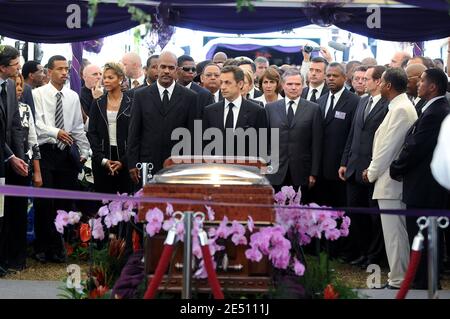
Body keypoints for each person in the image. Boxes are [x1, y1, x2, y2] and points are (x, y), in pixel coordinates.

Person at [390, 68, 450, 289]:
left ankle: (426, 279)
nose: (418, 83)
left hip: (427, 186)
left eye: (422, 80)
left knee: (424, 233)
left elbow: (417, 146)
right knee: (420, 232)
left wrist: (396, 167)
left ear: (433, 86)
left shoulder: (437, 111)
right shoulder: (431, 107)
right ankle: (423, 277)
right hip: (422, 184)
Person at [362, 68, 417, 289]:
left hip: (391, 181)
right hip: (389, 179)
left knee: (395, 234)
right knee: (395, 234)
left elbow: (388, 148)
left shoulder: (402, 109)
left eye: (381, 81)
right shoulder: (397, 107)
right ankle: (399, 276)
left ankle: (399, 279)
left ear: (387, 86)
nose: (378, 85)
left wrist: (371, 171)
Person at [32, 55, 90, 263]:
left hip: (66, 153)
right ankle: (42, 247)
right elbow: (35, 124)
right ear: (49, 72)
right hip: (45, 151)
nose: (65, 73)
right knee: (44, 202)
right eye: (60, 69)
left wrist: (85, 151)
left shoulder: (73, 96)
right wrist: (55, 132)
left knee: (64, 202)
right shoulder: (37, 94)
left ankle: (59, 247)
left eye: (66, 69)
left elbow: (77, 127)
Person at [339, 65, 389, 268]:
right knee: (356, 214)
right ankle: (361, 251)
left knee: (373, 218)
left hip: (372, 170)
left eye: (366, 79)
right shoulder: (362, 101)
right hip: (353, 167)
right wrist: (344, 161)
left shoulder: (387, 105)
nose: (361, 82)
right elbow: (353, 134)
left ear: (378, 82)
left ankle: (374, 256)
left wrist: (373, 167)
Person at [127, 51, 197, 185]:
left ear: (176, 70)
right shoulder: (141, 95)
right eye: (163, 67)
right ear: (157, 68)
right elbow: (134, 132)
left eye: (171, 68)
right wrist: (132, 163)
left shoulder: (190, 97)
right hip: (147, 164)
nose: (166, 71)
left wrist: (189, 165)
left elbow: (192, 135)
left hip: (177, 165)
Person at [265, 68, 322, 202]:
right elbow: (265, 140)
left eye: (297, 84)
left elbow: (317, 143)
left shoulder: (314, 109)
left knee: (299, 214)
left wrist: (314, 172)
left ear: (303, 86)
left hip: (302, 171)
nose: (293, 88)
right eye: (290, 84)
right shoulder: (270, 108)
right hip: (275, 171)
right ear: (283, 85)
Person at [316, 62, 359, 208]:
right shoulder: (320, 101)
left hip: (340, 167)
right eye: (328, 75)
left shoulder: (355, 101)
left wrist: (345, 162)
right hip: (320, 168)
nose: (331, 79)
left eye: (335, 75)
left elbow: (353, 136)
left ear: (345, 77)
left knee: (339, 210)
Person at [202, 65, 268, 158]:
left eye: (227, 83)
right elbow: (204, 144)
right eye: (221, 82)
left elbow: (262, 146)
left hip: (245, 169)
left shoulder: (257, 111)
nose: (223, 87)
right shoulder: (209, 111)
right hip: (216, 168)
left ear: (240, 84)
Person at [88, 62, 132, 194]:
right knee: (104, 202)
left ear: (120, 79)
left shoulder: (132, 102)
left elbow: (135, 134)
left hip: (126, 157)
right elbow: (92, 132)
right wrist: (102, 160)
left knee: (126, 203)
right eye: (105, 77)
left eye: (110, 77)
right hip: (102, 156)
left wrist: (123, 161)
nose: (106, 80)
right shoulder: (98, 102)